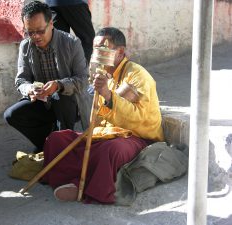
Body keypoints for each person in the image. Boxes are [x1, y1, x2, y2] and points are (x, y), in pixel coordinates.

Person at [41, 27, 165, 204]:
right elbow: (99, 118)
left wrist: (108, 95)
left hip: (137, 136)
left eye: (102, 48)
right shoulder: (105, 74)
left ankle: (80, 186)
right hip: (109, 134)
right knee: (57, 139)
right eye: (95, 48)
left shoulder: (138, 75)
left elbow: (141, 117)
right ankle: (68, 180)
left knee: (109, 150)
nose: (96, 53)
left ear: (120, 51)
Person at [4, 1, 91, 153]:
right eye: (30, 32)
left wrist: (58, 85)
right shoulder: (26, 46)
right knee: (12, 114)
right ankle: (46, 144)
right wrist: (29, 89)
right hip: (42, 100)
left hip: (69, 102)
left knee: (61, 98)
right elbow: (21, 80)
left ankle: (60, 147)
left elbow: (83, 80)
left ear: (51, 23)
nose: (35, 36)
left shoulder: (72, 43)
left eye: (40, 31)